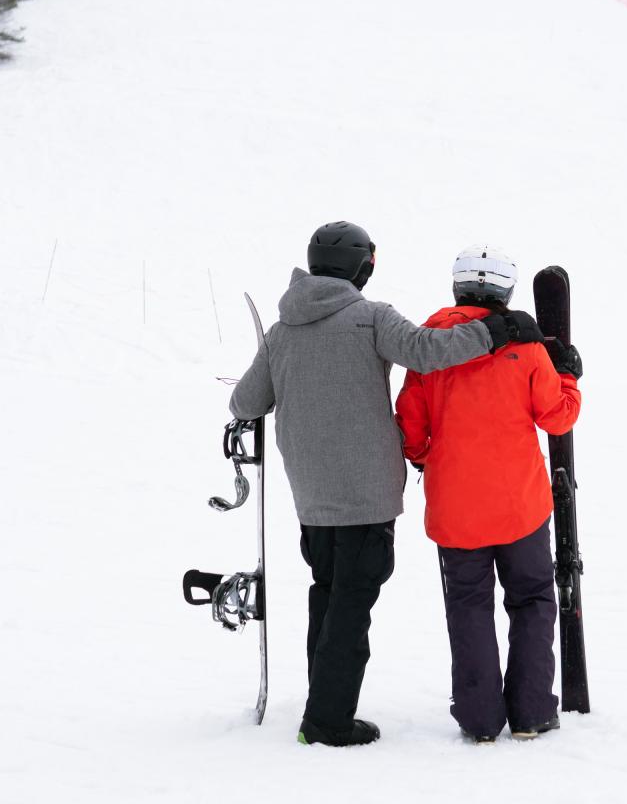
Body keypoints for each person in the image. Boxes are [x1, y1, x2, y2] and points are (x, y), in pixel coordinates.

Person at [228, 223, 544, 748]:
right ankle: (327, 721)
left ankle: (321, 703)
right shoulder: (369, 317)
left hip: (310, 495)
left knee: (327, 594)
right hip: (366, 493)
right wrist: (497, 332)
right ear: (362, 267)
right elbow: (426, 351)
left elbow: (245, 403)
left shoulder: (282, 332)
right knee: (351, 604)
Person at [394, 245, 582, 744]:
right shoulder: (527, 348)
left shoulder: (428, 344)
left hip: (456, 508)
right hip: (521, 504)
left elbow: (410, 423)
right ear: (506, 292)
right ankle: (533, 711)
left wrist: (424, 458)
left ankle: (480, 720)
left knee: (468, 607)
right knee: (533, 600)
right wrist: (569, 377)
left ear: (457, 287)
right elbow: (557, 417)